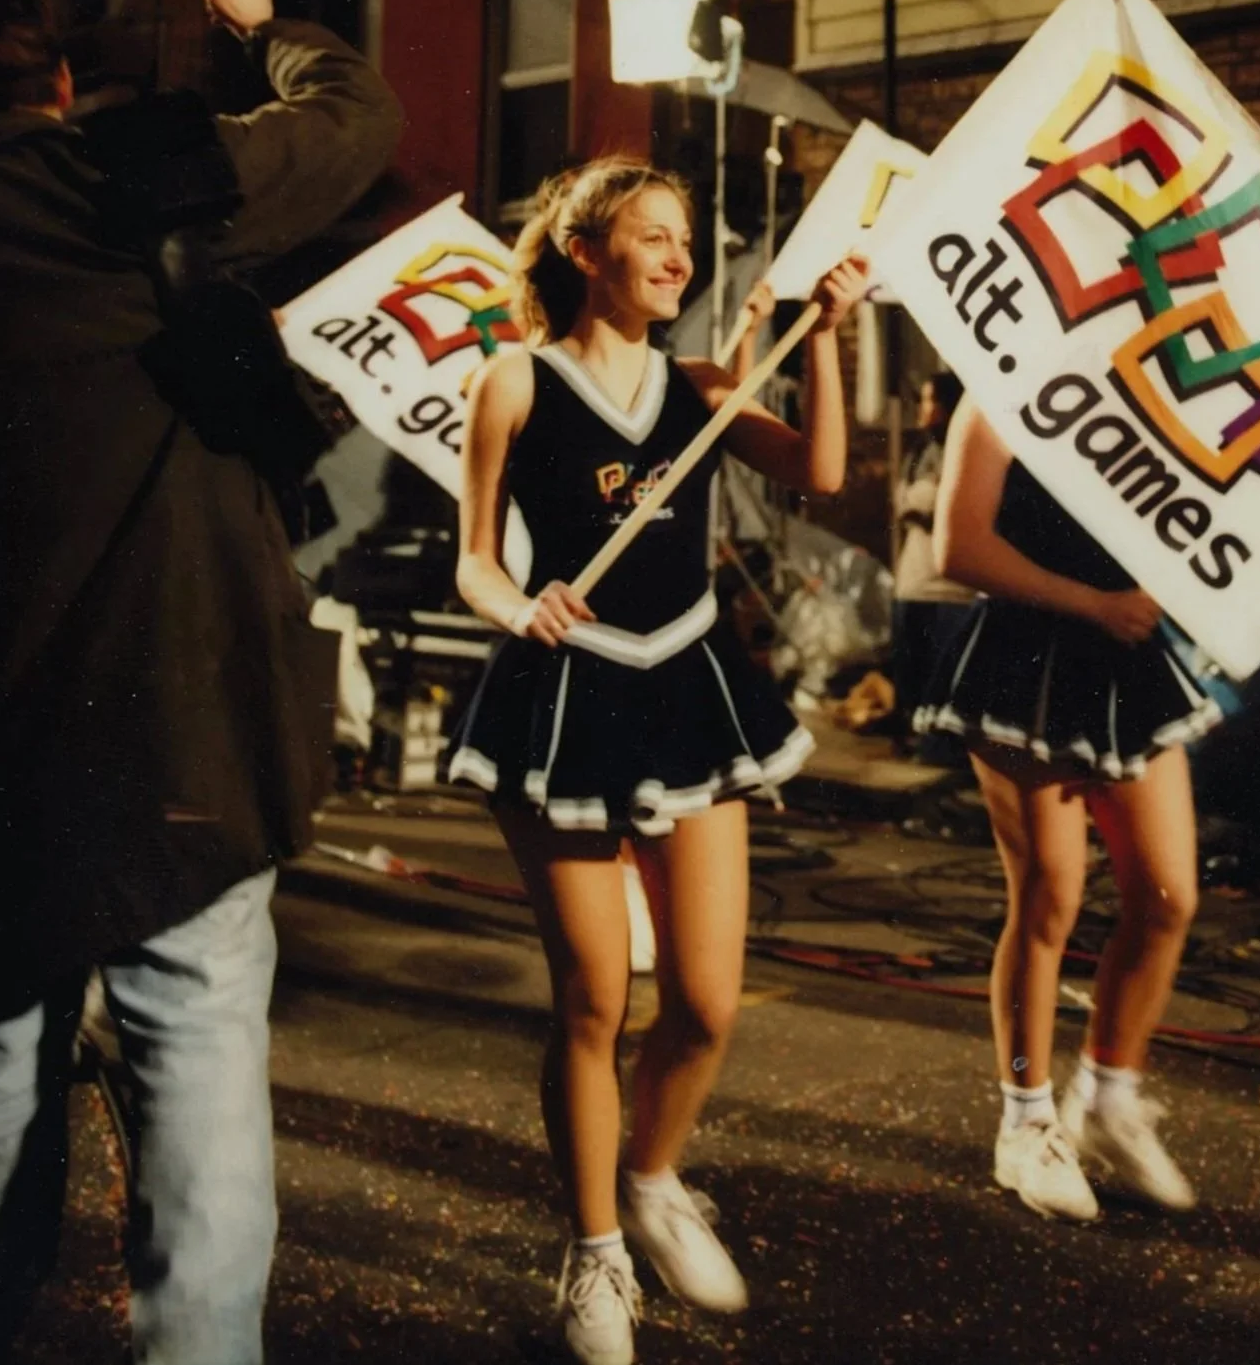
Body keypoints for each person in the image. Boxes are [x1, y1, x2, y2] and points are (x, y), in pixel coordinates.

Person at [0, 0, 403, 1363]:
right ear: (60, 82)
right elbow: (359, 119)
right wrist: (262, 26)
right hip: (190, 725)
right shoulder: (142, 175)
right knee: (196, 1056)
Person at [443, 157, 865, 1365]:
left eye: (684, 238)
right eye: (652, 236)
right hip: (565, 691)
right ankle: (594, 1251)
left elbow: (822, 473)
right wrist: (513, 605)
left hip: (688, 687)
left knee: (707, 1000)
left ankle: (652, 1176)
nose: (678, 257)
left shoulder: (699, 385)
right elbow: (472, 559)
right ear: (586, 250)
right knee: (592, 996)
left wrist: (827, 336)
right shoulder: (513, 379)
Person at [914, 400, 1221, 1222]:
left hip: (1125, 657)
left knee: (1168, 896)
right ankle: (1026, 1124)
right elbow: (959, 546)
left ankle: (1109, 1100)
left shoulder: (1142, 391)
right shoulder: (995, 391)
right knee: (1051, 895)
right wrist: (1092, 602)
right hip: (1025, 660)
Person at [889, 371, 975, 737]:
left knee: (945, 671)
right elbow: (905, 500)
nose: (924, 409)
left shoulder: (963, 446)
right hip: (914, 577)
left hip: (951, 587)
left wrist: (922, 501)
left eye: (931, 401)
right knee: (913, 666)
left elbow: (942, 503)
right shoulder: (921, 450)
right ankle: (913, 734)